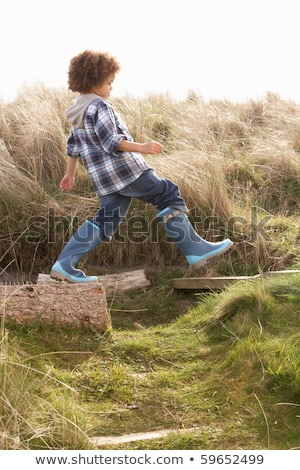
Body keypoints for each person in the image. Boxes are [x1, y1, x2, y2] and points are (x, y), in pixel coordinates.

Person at [50, 50, 233, 283]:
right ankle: (195, 249)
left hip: (104, 181)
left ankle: (64, 264)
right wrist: (142, 147)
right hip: (126, 172)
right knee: (167, 194)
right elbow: (110, 141)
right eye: (109, 83)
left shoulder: (77, 111)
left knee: (105, 220)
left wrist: (69, 174)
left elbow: (73, 146)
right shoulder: (101, 107)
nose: (111, 88)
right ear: (95, 82)